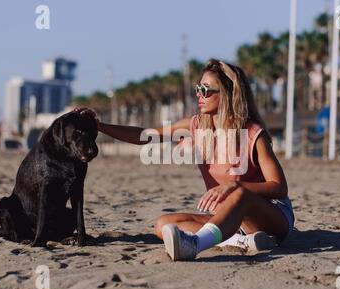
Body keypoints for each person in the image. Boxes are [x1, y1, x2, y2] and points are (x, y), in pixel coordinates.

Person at [75, 59, 294, 261]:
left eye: (206, 90)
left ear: (227, 94)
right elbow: (144, 135)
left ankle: (195, 245)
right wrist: (99, 126)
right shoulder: (196, 126)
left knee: (240, 194)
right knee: (163, 225)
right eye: (198, 89)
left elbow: (279, 187)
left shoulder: (253, 132)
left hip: (271, 217)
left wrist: (235, 186)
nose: (199, 94)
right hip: (231, 220)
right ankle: (241, 242)